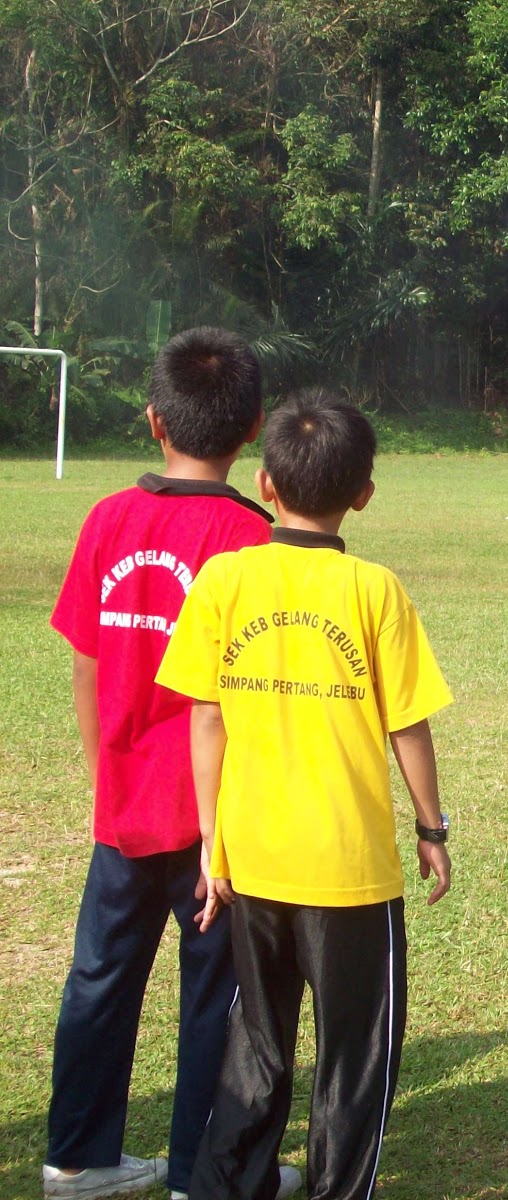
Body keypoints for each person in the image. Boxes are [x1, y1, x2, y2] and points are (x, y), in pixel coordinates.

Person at [156, 393, 454, 1199]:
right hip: (350, 872)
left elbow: (205, 717)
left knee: (256, 1045)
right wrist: (433, 827)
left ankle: (226, 1187)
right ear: (364, 493)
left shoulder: (226, 577)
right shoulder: (375, 589)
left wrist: (213, 844)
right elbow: (409, 728)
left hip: (251, 862)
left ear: (263, 482)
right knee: (355, 1057)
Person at [42, 328, 302, 1200]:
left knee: (99, 982)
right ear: (256, 426)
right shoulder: (253, 539)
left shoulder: (109, 518)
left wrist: (100, 776)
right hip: (215, 820)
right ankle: (204, 1171)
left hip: (124, 808)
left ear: (153, 421)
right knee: (218, 1001)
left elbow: (85, 660)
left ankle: (75, 1161)